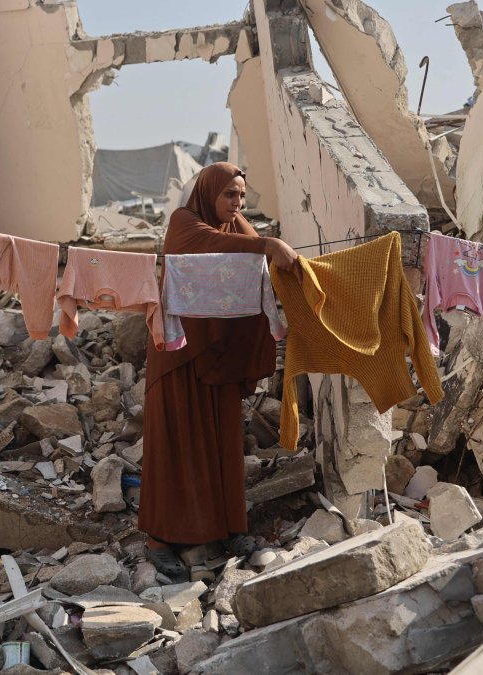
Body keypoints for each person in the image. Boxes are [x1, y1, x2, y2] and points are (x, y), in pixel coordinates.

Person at [139, 162, 301, 577]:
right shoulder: (184, 222)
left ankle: (228, 529)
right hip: (180, 354)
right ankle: (160, 539)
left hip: (220, 355)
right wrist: (268, 244)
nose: (237, 203)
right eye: (230, 194)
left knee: (223, 445)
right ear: (209, 192)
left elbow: (261, 262)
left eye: (242, 196)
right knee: (176, 443)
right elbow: (215, 245)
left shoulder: (237, 227)